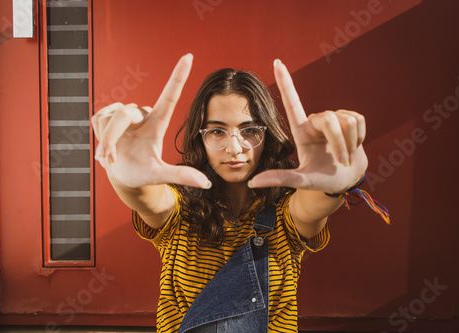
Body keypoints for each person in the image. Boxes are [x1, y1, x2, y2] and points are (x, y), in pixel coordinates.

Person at [91, 54, 375, 332]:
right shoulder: (180, 206)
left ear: (267, 133)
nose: (234, 148)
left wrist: (337, 182)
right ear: (200, 138)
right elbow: (147, 198)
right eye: (217, 131)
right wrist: (124, 175)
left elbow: (313, 207)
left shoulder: (286, 207)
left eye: (249, 130)